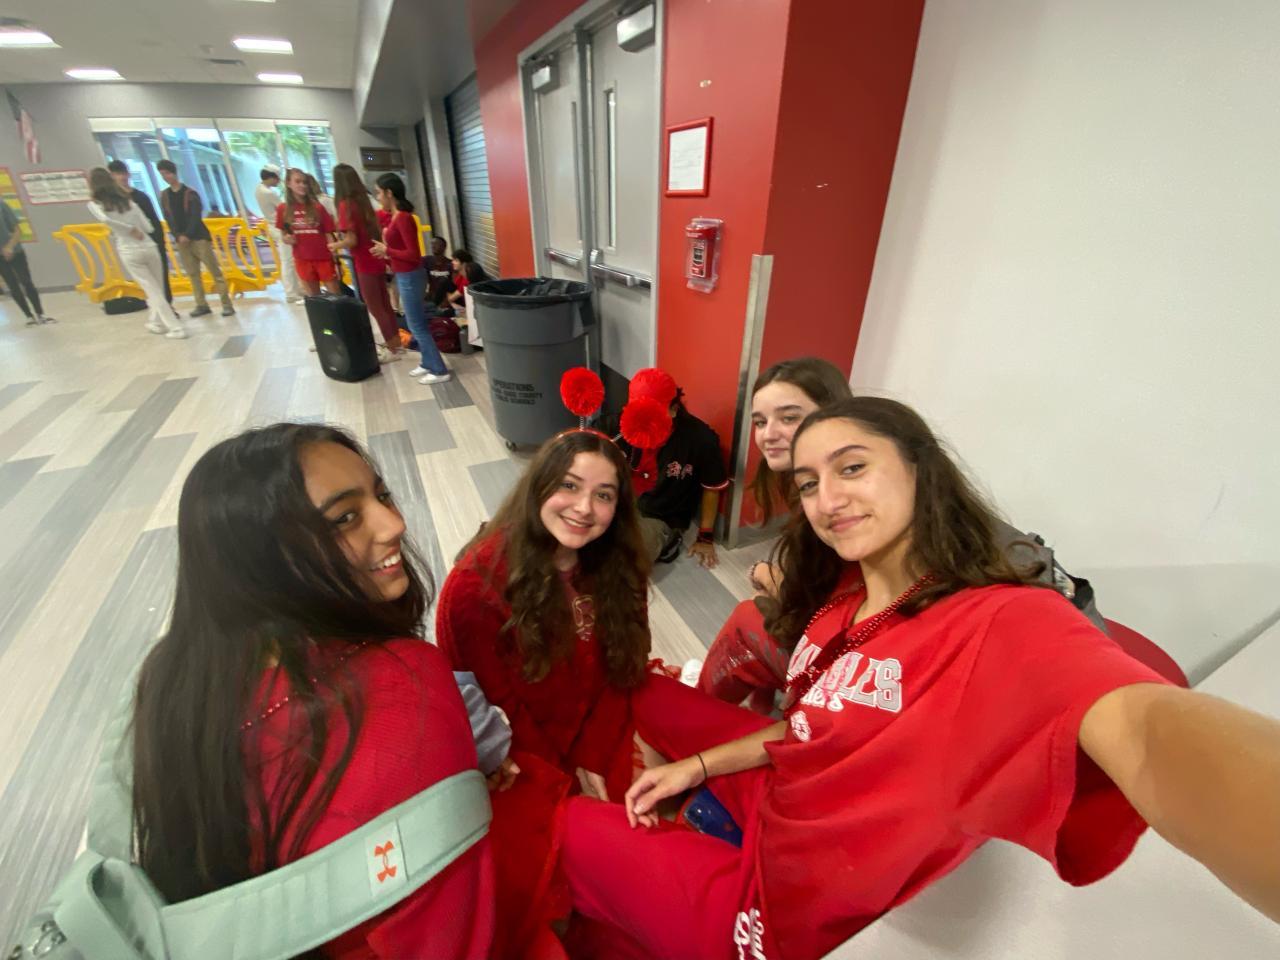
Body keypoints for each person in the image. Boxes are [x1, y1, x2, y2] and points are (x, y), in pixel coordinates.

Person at [562, 396, 1280, 960]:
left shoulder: (1000, 621)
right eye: (808, 484)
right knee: (637, 689)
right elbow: (813, 725)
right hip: (783, 797)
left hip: (787, 911)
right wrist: (697, 767)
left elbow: (1144, 729)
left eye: (851, 468)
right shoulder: (850, 590)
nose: (826, 499)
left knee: (563, 828)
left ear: (919, 470)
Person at [128, 423, 498, 957]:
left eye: (381, 495)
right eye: (345, 518)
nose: (394, 523)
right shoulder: (405, 679)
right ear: (263, 559)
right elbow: (451, 931)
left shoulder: (171, 678)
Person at [436, 429, 655, 804]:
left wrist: (594, 755)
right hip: (521, 760)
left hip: (600, 729)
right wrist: (566, 782)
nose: (584, 507)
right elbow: (495, 712)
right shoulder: (475, 587)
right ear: (539, 485)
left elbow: (624, 664)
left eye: (603, 495)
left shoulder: (619, 563)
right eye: (569, 485)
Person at [697, 357, 852, 712]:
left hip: (853, 665)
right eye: (760, 422)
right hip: (840, 631)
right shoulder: (807, 488)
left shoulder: (838, 503)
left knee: (747, 618)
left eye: (790, 417)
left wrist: (769, 576)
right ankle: (758, 705)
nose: (768, 434)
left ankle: (698, 711)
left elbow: (828, 610)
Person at [617, 368, 730, 569]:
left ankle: (669, 541)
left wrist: (705, 537)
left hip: (661, 517)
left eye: (654, 414)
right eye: (640, 412)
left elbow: (711, 488)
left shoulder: (700, 440)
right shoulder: (621, 425)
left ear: (674, 409)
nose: (646, 420)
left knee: (628, 562)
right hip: (623, 503)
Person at [371, 173, 452, 385]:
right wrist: (386, 253)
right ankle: (427, 362)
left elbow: (413, 255)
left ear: (389, 193)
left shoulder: (403, 218)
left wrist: (387, 250)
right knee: (415, 322)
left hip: (410, 276)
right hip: (405, 275)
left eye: (379, 192)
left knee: (416, 325)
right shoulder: (396, 217)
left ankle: (439, 369)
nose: (377, 197)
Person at [87, 168, 185, 339]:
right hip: (148, 245)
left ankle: (175, 328)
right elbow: (148, 226)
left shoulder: (95, 204)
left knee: (153, 290)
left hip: (128, 248)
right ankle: (155, 322)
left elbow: (105, 219)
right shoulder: (127, 200)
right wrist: (137, 229)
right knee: (158, 288)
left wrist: (128, 230)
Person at [329, 162, 404, 362]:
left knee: (375, 307)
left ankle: (393, 349)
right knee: (385, 305)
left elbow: (351, 240)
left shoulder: (345, 205)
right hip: (376, 257)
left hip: (364, 261)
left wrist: (334, 246)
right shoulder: (365, 201)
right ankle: (396, 344)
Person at [155, 158, 235, 318]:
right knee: (193, 274)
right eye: (162, 174)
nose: (165, 177)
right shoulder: (165, 196)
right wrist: (177, 235)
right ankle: (201, 304)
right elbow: (168, 217)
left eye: (167, 173)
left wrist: (187, 234)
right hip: (181, 240)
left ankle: (226, 304)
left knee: (215, 272)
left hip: (199, 238)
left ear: (174, 173)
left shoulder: (190, 194)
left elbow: (195, 216)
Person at [107, 160, 174, 311]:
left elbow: (153, 222)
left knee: (160, 278)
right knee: (147, 282)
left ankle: (166, 307)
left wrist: (159, 243)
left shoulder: (140, 197)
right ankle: (158, 310)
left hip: (149, 243)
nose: (121, 178)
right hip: (131, 247)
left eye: (123, 174)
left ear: (128, 174)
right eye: (117, 175)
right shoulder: (112, 201)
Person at [276, 167, 341, 299]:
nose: (302, 185)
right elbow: (284, 234)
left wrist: (336, 259)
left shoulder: (317, 207)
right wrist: (287, 239)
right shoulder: (283, 209)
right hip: (302, 259)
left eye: (304, 182)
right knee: (314, 298)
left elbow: (329, 234)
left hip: (323, 258)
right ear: (288, 183)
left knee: (336, 297)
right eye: (297, 182)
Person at [0, 197, 53, 326]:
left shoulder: (2, 205)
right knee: (12, 286)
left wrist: (9, 247)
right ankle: (29, 316)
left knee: (26, 281)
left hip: (15, 251)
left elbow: (17, 230)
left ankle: (40, 314)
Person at [255, 165, 303, 304]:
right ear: (271, 177)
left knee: (289, 260)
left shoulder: (259, 189)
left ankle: (298, 290)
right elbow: (285, 209)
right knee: (288, 261)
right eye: (277, 178)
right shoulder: (268, 193)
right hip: (279, 228)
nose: (278, 181)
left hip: (273, 227)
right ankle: (291, 293)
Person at [426, 235, 455, 309]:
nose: (433, 246)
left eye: (436, 244)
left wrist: (447, 301)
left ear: (444, 247)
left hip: (446, 300)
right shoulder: (427, 261)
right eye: (432, 244)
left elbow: (454, 285)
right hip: (431, 298)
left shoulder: (450, 264)